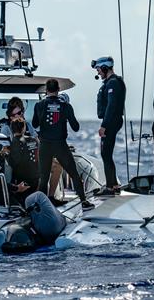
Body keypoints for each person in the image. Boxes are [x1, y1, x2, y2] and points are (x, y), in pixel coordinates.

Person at [32, 78, 93, 210]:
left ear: (46, 90)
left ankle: (39, 208)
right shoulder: (66, 106)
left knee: (44, 178)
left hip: (45, 145)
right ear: (58, 90)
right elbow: (76, 127)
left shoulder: (39, 105)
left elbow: (35, 124)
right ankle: (84, 202)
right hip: (60, 145)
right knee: (74, 174)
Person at [92, 56, 127, 195]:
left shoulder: (113, 83)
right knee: (106, 154)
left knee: (105, 153)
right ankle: (113, 184)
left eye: (99, 70)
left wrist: (104, 126)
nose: (98, 73)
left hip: (111, 121)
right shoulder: (111, 82)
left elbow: (111, 106)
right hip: (112, 121)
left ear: (106, 68)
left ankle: (110, 187)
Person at [0, 117, 40, 206]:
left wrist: (5, 155)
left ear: (11, 129)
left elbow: (14, 163)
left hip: (21, 184)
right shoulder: (34, 140)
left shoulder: (13, 143)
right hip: (36, 182)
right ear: (24, 128)